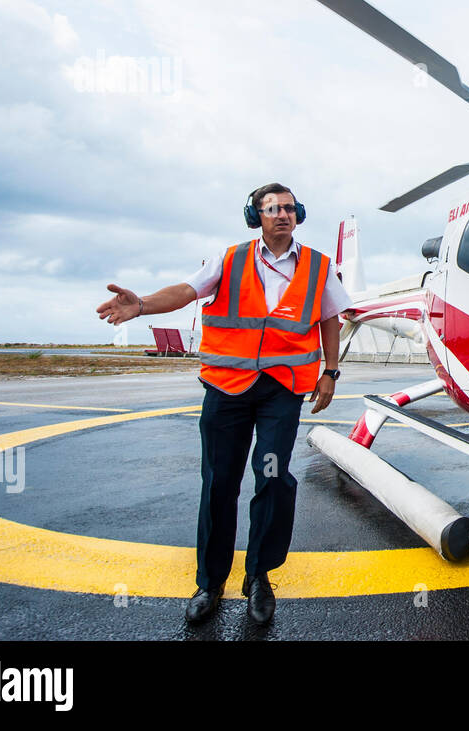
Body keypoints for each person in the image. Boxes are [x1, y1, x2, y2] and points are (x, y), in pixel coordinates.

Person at [96, 183, 353, 626]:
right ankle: (209, 582)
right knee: (218, 483)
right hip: (227, 389)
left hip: (281, 390)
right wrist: (142, 306)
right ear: (256, 217)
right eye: (272, 208)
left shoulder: (318, 266)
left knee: (272, 479)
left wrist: (330, 371)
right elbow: (186, 291)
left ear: (300, 215)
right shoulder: (230, 258)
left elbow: (329, 316)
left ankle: (259, 576)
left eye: (289, 208)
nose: (282, 214)